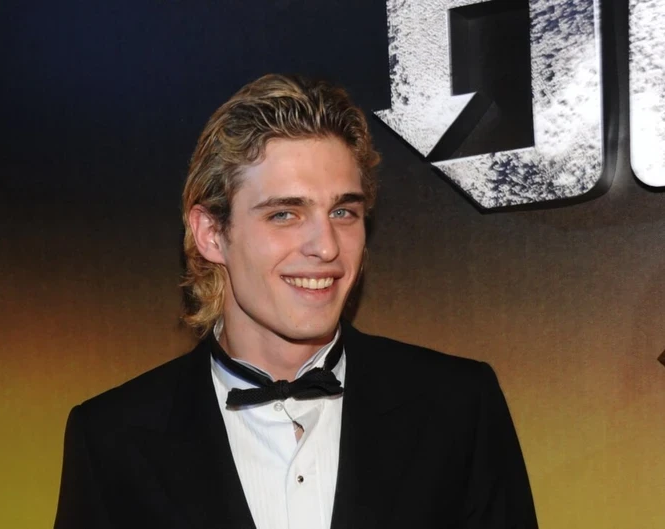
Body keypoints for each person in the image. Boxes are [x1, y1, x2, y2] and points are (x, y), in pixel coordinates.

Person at [54, 74, 538, 529]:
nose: (326, 247)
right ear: (211, 233)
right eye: (285, 214)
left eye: (343, 212)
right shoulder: (112, 438)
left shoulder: (458, 407)